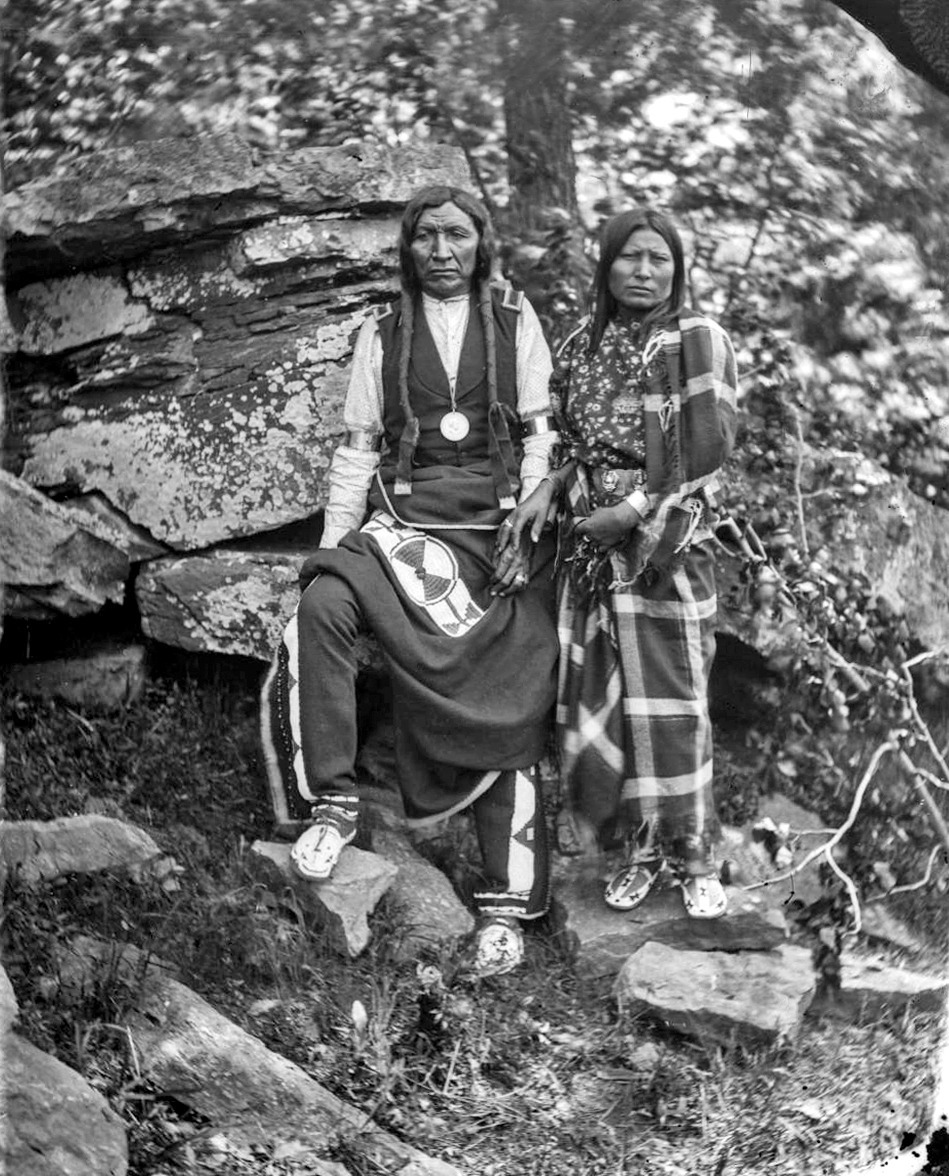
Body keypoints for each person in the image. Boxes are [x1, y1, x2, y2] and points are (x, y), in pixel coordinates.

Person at [260, 186, 560, 975]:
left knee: (514, 666)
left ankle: (503, 903)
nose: (440, 250)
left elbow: (539, 435)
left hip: (492, 534)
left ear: (480, 243)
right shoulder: (381, 331)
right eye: (425, 236)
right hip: (400, 528)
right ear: (408, 248)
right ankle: (330, 803)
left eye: (456, 235)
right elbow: (358, 448)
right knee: (322, 602)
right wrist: (334, 548)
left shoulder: (514, 320)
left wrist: (527, 522)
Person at [501, 208, 738, 919]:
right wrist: (549, 488)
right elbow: (575, 444)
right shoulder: (581, 344)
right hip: (590, 553)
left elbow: (706, 452)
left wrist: (632, 512)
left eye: (657, 260)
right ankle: (634, 853)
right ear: (605, 267)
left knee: (672, 704)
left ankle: (693, 857)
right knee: (605, 698)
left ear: (676, 268)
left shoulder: (696, 339)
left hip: (664, 549)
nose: (642, 271)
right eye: (628, 258)